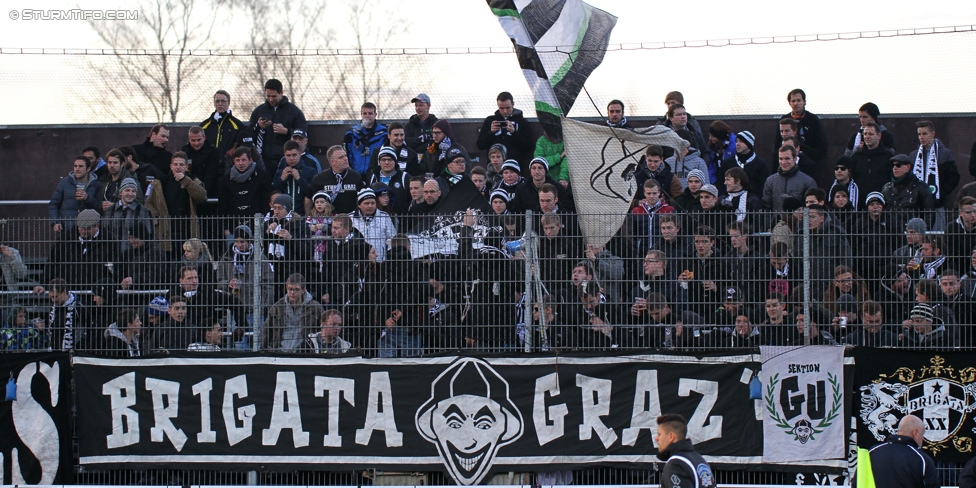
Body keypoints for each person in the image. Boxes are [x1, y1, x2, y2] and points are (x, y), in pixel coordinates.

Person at [146, 152, 208, 254]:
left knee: (187, 261)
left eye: (181, 164)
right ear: (171, 166)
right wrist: (155, 216)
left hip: (187, 230)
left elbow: (202, 197)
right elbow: (148, 203)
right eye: (175, 164)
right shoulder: (161, 182)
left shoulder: (192, 180)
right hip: (166, 231)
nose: (178, 167)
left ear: (186, 167)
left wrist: (186, 181)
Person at [856, 415, 938, 488]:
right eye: (922, 435)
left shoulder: (871, 453)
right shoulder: (922, 459)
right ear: (915, 433)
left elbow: (857, 482)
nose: (922, 439)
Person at [249, 78, 308, 172]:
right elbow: (249, 133)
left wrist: (287, 131)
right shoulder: (259, 111)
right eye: (268, 96)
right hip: (263, 159)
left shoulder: (293, 111)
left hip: (285, 159)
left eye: (274, 96)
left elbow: (303, 133)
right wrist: (258, 126)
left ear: (281, 93)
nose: (270, 99)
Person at [909, 120, 958, 231]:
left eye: (925, 134)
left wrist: (941, 193)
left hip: (937, 204)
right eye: (919, 134)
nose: (921, 137)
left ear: (933, 134)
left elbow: (954, 177)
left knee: (937, 236)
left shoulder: (945, 153)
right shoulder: (914, 155)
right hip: (918, 206)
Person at [263, 273, 324, 352]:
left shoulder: (315, 307)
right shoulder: (277, 307)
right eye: (290, 289)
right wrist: (264, 350)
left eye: (296, 289)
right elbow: (266, 330)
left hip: (305, 353)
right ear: (286, 288)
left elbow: (324, 329)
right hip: (280, 352)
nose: (292, 292)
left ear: (303, 290)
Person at [654, 413, 716, 488]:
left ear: (671, 436)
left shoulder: (676, 464)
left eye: (659, 434)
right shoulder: (699, 460)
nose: (656, 438)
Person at [476, 91, 533, 167]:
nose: (505, 111)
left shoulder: (521, 121)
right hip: (494, 167)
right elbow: (480, 145)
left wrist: (514, 133)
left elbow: (528, 146)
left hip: (513, 166)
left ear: (513, 104)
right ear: (498, 106)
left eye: (508, 108)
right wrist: (491, 132)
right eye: (501, 108)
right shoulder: (490, 120)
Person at [304, 145, 366, 215]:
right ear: (332, 162)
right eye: (341, 157)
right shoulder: (319, 178)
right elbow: (308, 197)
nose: (345, 159)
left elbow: (362, 198)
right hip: (327, 220)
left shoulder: (356, 177)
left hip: (351, 218)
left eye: (345, 156)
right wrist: (308, 217)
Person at [773, 88, 827, 164]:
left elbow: (821, 145)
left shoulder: (813, 120)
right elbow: (777, 144)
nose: (796, 103)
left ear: (804, 102)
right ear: (789, 103)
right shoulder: (784, 119)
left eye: (798, 100)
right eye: (793, 101)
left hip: (809, 161)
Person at [48, 156, 100, 233]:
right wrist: (55, 222)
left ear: (88, 169)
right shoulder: (64, 183)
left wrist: (87, 198)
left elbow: (98, 206)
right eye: (75, 166)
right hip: (67, 228)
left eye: (80, 166)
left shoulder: (96, 184)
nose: (77, 169)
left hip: (88, 229)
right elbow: (53, 204)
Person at [850, 122, 896, 204]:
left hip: (883, 202)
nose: (867, 137)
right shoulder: (856, 156)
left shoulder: (888, 157)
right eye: (865, 134)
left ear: (879, 136)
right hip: (860, 202)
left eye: (870, 134)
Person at [763, 145, 817, 211]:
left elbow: (810, 208)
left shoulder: (808, 182)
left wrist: (804, 221)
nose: (783, 162)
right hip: (776, 220)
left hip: (798, 220)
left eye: (787, 158)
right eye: (781, 159)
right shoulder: (770, 181)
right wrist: (770, 221)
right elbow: (766, 206)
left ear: (794, 159)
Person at [201, 89, 250, 162]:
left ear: (229, 103)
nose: (220, 104)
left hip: (228, 165)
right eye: (217, 101)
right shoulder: (205, 125)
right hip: (208, 165)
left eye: (223, 101)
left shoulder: (237, 125)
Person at [344, 102, 388, 175]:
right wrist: (350, 171)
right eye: (365, 113)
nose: (367, 116)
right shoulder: (351, 133)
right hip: (356, 174)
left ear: (375, 115)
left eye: (370, 113)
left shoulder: (384, 133)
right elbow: (347, 154)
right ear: (361, 114)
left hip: (376, 174)